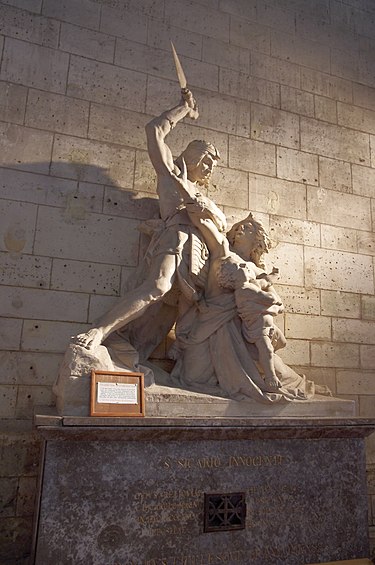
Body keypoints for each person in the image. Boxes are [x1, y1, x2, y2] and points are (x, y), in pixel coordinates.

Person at [73, 88, 223, 352]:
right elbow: (154, 130)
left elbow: (220, 225)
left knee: (178, 311)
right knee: (158, 287)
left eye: (213, 165)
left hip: (200, 250)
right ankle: (100, 330)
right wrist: (183, 109)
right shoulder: (172, 175)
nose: (210, 168)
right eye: (207, 160)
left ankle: (149, 359)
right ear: (193, 155)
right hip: (176, 238)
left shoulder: (201, 192)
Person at [216, 257, 284, 392]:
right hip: (257, 328)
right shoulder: (244, 290)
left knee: (282, 342)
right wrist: (273, 305)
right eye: (240, 267)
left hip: (265, 325)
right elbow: (271, 298)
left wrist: (274, 275)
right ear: (232, 277)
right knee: (267, 350)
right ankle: (270, 377)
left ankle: (265, 362)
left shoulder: (250, 285)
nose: (244, 265)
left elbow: (265, 282)